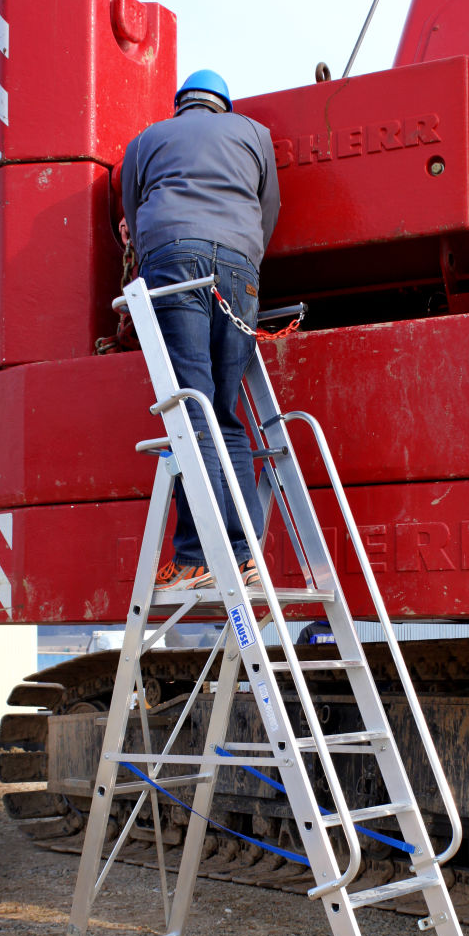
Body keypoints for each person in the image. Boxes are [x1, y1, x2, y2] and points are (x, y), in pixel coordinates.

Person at [119, 69, 281, 591]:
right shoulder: (255, 135)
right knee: (226, 416)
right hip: (240, 271)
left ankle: (197, 556)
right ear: (224, 106)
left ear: (180, 106)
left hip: (173, 266)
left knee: (192, 408)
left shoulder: (146, 141)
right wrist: (244, 257)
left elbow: (131, 208)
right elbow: (268, 206)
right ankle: (243, 556)